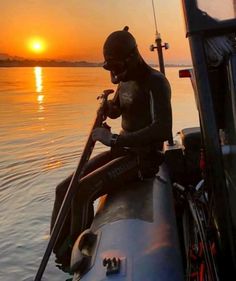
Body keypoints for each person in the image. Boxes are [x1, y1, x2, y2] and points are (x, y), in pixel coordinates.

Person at [50, 26, 172, 270]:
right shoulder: (124, 81)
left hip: (144, 157)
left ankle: (77, 259)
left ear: (132, 57)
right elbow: (119, 110)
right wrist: (106, 107)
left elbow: (162, 130)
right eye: (111, 68)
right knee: (64, 188)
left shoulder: (156, 82)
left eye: (117, 67)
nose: (115, 74)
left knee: (83, 191)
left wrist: (114, 140)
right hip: (122, 150)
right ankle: (60, 253)